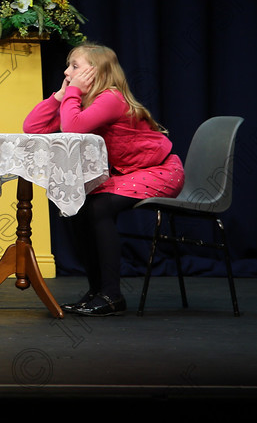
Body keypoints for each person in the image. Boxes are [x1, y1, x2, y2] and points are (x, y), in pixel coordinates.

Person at [23, 43, 184, 316]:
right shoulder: (83, 101)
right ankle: (96, 291)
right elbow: (32, 128)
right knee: (78, 206)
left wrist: (71, 93)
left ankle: (111, 295)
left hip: (161, 171)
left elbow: (72, 129)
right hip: (131, 173)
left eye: (74, 66)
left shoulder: (111, 98)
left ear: (94, 72)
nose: (67, 71)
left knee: (98, 207)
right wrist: (61, 95)